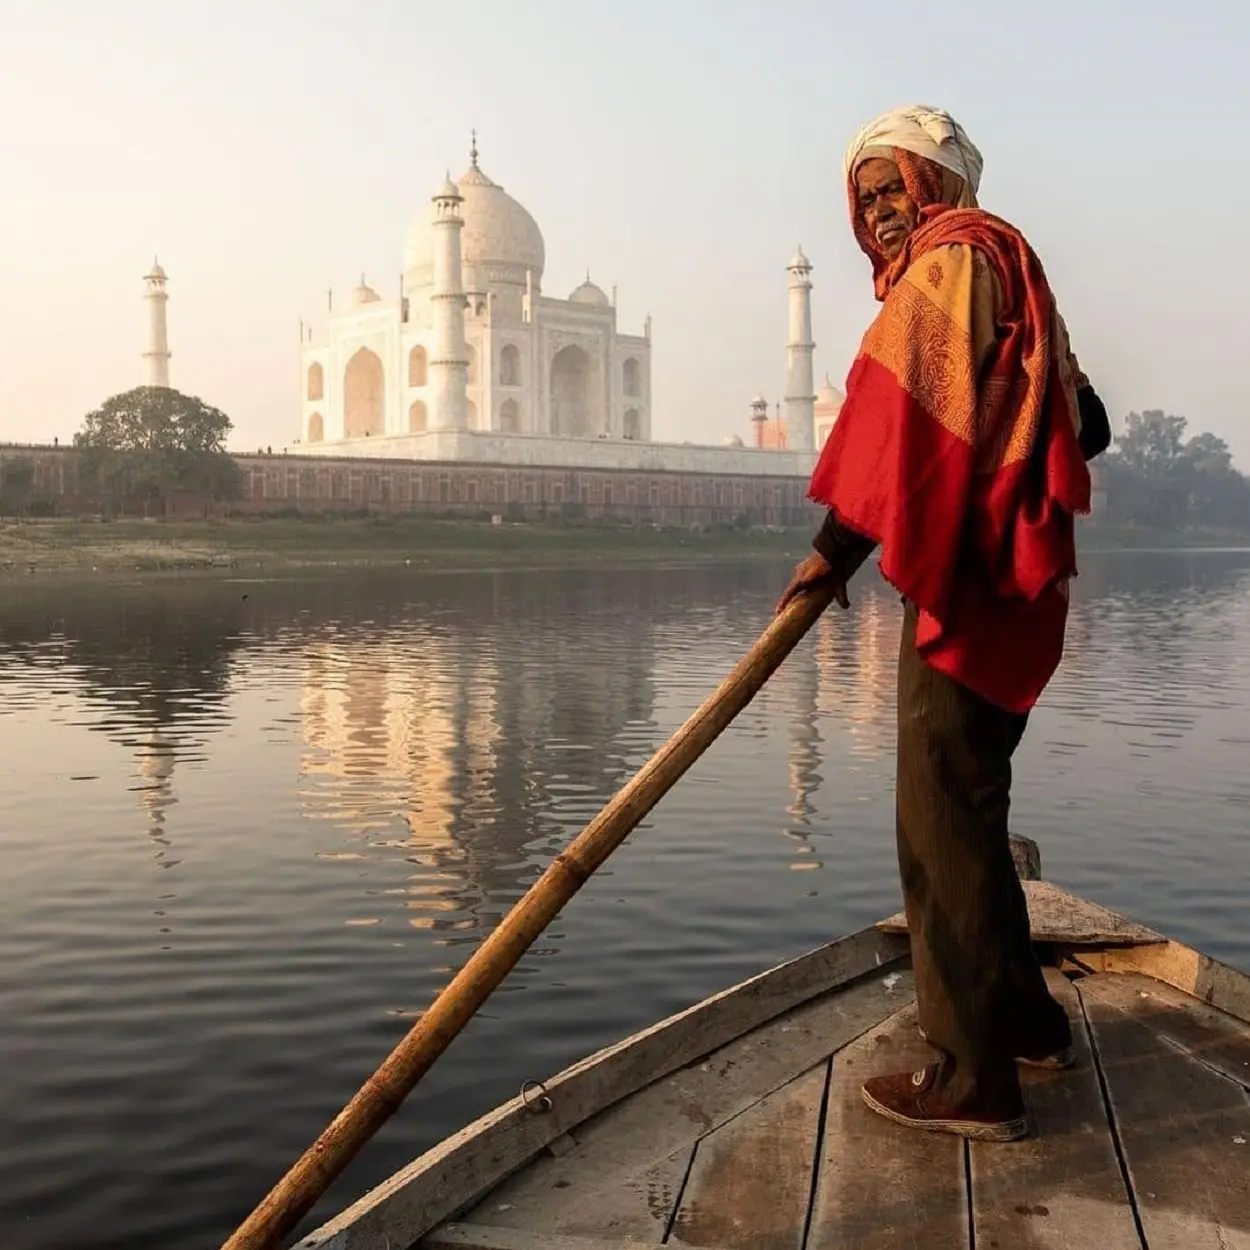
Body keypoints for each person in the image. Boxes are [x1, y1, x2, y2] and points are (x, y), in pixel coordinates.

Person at [776, 105, 1111, 1142]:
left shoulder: (946, 266)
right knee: (968, 799)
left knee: (937, 818)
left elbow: (897, 438)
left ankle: (971, 1077)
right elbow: (1084, 423)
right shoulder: (1011, 269)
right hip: (1017, 588)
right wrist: (998, 448)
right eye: (864, 195)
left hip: (971, 590)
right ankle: (1025, 1024)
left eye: (894, 189)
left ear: (938, 187)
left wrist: (827, 557)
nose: (879, 212)